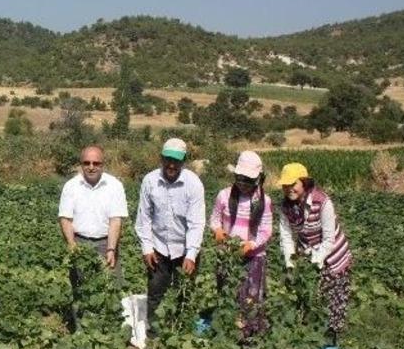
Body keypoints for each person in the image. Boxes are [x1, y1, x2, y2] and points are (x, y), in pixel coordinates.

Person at [278, 163, 353, 349]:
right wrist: (291, 263)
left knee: (334, 297)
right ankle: (312, 334)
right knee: (312, 296)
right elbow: (286, 237)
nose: (288, 189)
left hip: (333, 255)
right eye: (285, 185)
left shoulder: (322, 202)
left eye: (292, 184)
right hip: (307, 254)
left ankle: (331, 340)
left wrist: (314, 261)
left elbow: (329, 239)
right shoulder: (286, 207)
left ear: (304, 182)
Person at [134, 137, 205, 332]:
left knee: (185, 292)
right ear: (161, 158)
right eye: (168, 159)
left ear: (184, 160)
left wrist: (191, 254)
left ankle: (182, 332)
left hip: (184, 247)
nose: (172, 165)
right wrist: (147, 248)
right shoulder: (150, 181)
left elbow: (196, 223)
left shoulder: (193, 184)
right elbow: (144, 217)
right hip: (158, 247)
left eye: (177, 160)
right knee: (156, 291)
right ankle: (155, 335)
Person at [209, 151, 273, 338]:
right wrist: (217, 231)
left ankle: (250, 336)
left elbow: (266, 230)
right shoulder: (224, 196)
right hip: (227, 254)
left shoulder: (263, 201)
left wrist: (251, 244)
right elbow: (214, 220)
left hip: (253, 256)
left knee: (251, 297)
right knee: (227, 291)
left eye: (248, 180)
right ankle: (228, 331)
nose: (243, 184)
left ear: (258, 179)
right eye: (240, 179)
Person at [58, 145, 128, 278]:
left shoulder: (114, 185)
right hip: (80, 243)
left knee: (112, 285)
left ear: (103, 165)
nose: (91, 167)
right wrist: (73, 246)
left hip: (106, 243)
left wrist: (111, 249)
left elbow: (115, 220)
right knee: (81, 288)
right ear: (81, 164)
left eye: (96, 163)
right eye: (86, 163)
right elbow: (65, 219)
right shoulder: (71, 186)